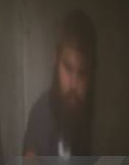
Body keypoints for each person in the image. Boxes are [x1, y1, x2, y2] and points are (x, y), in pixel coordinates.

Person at [23, 10, 97, 157]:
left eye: (82, 73)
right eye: (68, 68)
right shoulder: (41, 115)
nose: (73, 84)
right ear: (56, 59)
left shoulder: (83, 110)